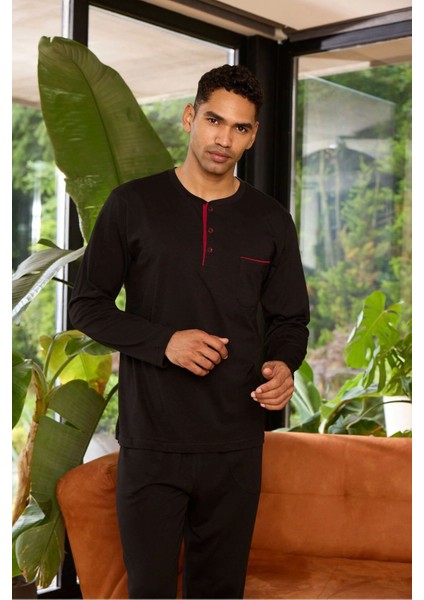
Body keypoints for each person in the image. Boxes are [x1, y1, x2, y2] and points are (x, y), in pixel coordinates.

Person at [69, 64, 309, 599]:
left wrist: (283, 364)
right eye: (214, 120)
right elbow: (86, 305)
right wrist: (165, 342)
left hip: (236, 443)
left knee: (219, 591)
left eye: (240, 128)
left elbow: (290, 320)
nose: (224, 139)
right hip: (152, 442)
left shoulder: (271, 220)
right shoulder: (132, 205)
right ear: (189, 118)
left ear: (252, 136)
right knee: (150, 591)